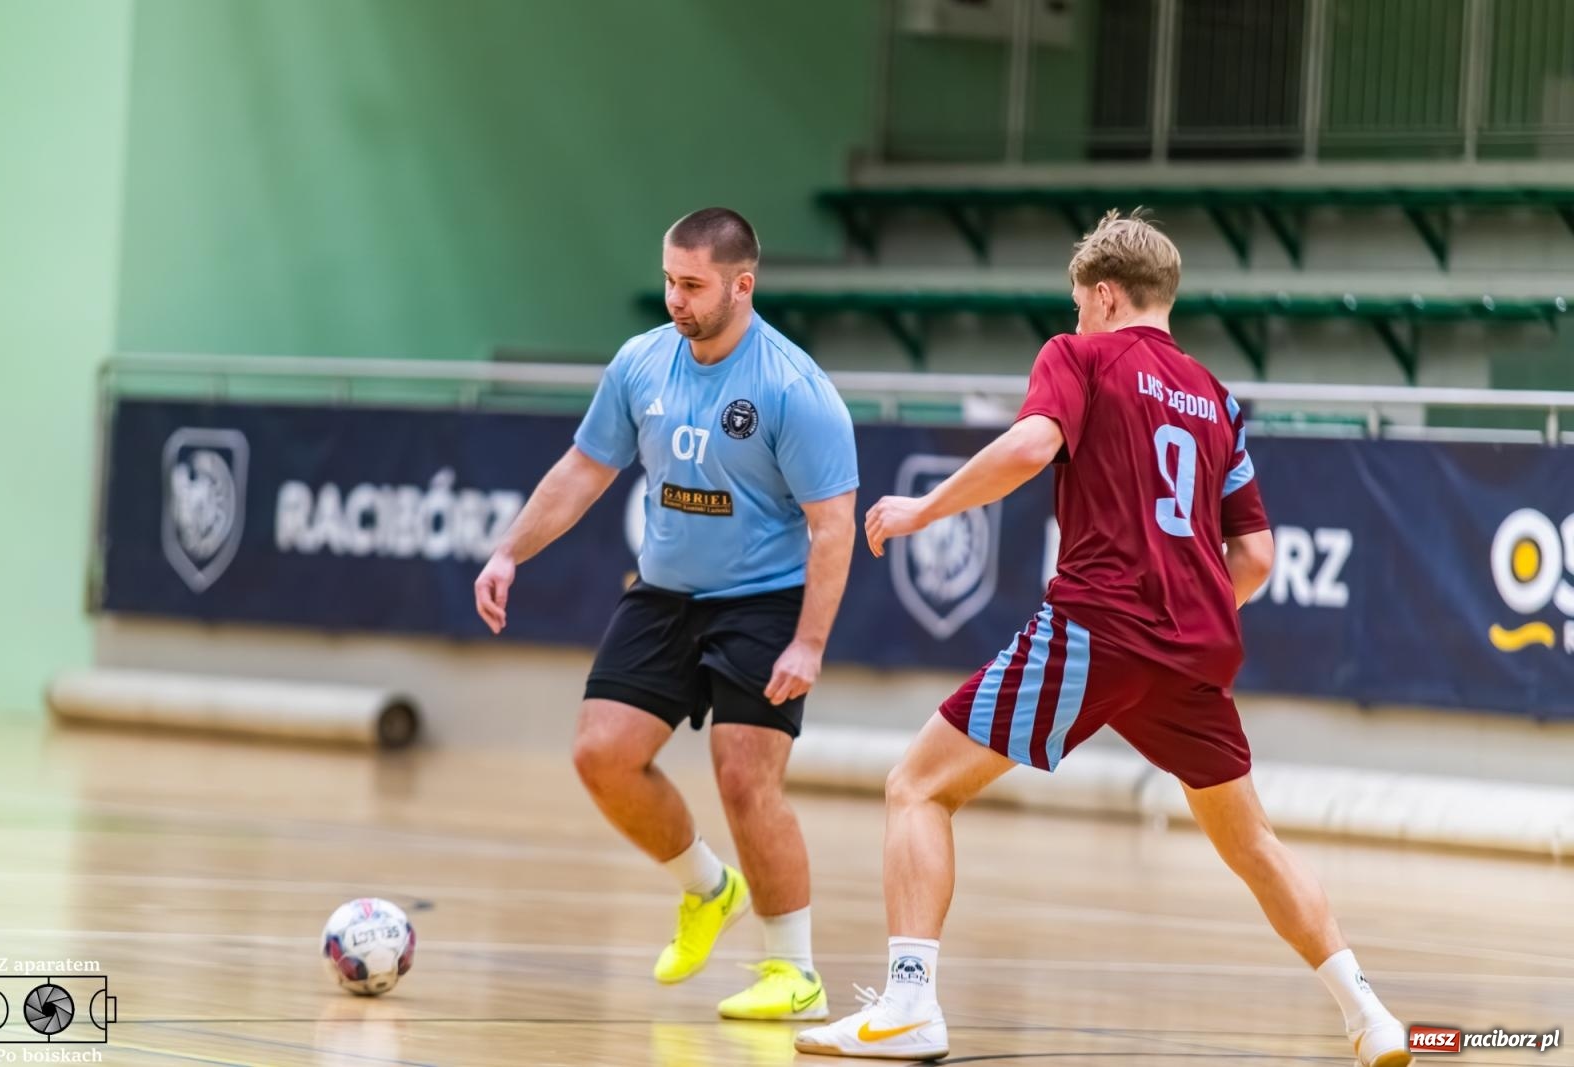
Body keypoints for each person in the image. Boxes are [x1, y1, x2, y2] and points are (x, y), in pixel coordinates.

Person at [794, 210, 1412, 1067]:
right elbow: (1258, 556)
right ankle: (1370, 1015)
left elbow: (1031, 443)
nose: (1078, 317)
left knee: (917, 786)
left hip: (1098, 627)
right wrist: (1184, 607)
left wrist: (923, 509)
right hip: (1193, 649)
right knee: (1252, 842)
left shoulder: (1078, 355)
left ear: (1104, 295)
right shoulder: (1217, 400)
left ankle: (908, 1003)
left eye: (1081, 304)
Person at [474, 207, 857, 1022]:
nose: (675, 299)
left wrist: (809, 643)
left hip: (765, 602)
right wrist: (509, 551)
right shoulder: (640, 363)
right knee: (600, 754)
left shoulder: (795, 388)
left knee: (744, 778)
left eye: (693, 285)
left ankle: (794, 970)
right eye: (669, 280)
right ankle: (708, 889)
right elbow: (584, 468)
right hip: (663, 593)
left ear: (741, 286)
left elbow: (833, 526)